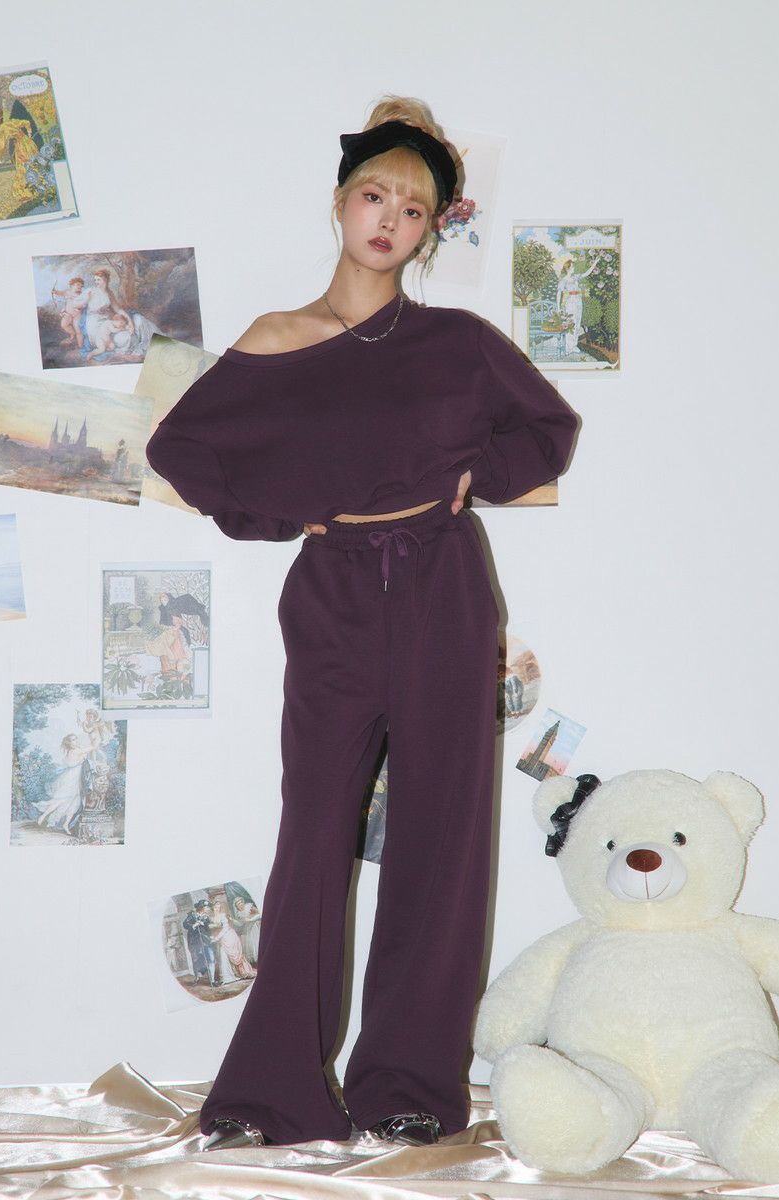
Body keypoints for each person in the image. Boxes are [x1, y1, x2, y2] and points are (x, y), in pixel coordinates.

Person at [145, 95, 579, 1151]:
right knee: (313, 835)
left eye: (413, 208)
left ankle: (406, 1084)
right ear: (340, 204)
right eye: (375, 195)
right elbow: (178, 451)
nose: (389, 219)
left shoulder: (456, 342)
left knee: (441, 837)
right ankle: (271, 1094)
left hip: (444, 587)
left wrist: (475, 477)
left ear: (429, 232)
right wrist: (282, 514)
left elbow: (547, 428)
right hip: (333, 592)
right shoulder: (276, 339)